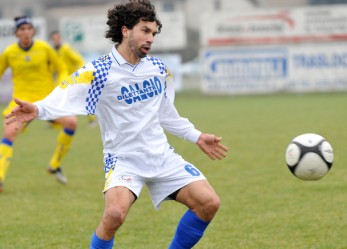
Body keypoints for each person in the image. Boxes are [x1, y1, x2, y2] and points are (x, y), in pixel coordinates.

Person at [5, 1, 228, 248]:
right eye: (144, 30)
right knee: (114, 215)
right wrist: (37, 109)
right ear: (125, 30)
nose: (150, 38)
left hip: (162, 156)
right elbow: (64, 95)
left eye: (153, 33)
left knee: (209, 203)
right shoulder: (99, 71)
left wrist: (197, 136)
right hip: (124, 160)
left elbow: (166, 115)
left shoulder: (158, 69)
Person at [0, 16, 77, 192]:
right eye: (22, 29)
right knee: (9, 132)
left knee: (72, 122)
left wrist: (62, 84)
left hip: (46, 100)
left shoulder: (44, 48)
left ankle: (54, 164)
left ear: (33, 31)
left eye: (28, 28)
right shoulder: (9, 52)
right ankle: (0, 178)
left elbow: (62, 68)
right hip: (20, 101)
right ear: (16, 33)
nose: (26, 32)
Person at [49, 30, 97, 128]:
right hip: (64, 79)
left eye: (57, 38)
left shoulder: (65, 49)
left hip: (74, 78)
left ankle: (92, 120)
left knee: (83, 98)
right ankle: (57, 122)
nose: (56, 40)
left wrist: (81, 73)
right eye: (54, 39)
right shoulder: (53, 51)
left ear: (60, 38)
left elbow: (78, 59)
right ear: (52, 40)